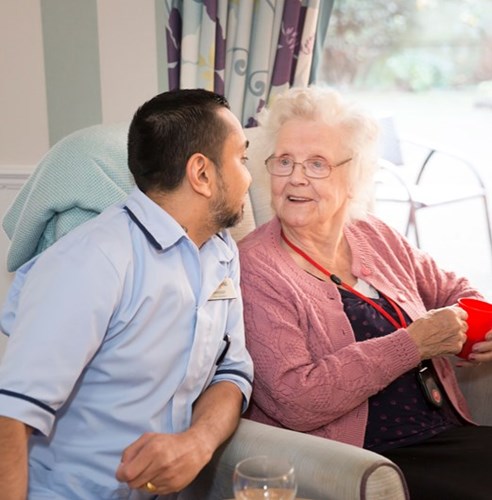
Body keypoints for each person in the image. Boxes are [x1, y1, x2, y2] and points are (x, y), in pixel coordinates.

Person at [238, 86, 492, 499]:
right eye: (284, 161)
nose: (296, 177)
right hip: (366, 461)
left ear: (353, 177)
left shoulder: (373, 233)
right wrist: (412, 344)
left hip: (445, 434)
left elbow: (452, 288)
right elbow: (296, 400)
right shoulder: (256, 268)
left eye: (317, 163)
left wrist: (479, 326)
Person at [0, 88, 254, 499]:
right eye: (241, 158)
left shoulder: (222, 252)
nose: (249, 175)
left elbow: (232, 372)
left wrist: (198, 442)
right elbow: (9, 415)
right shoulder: (94, 260)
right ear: (202, 174)